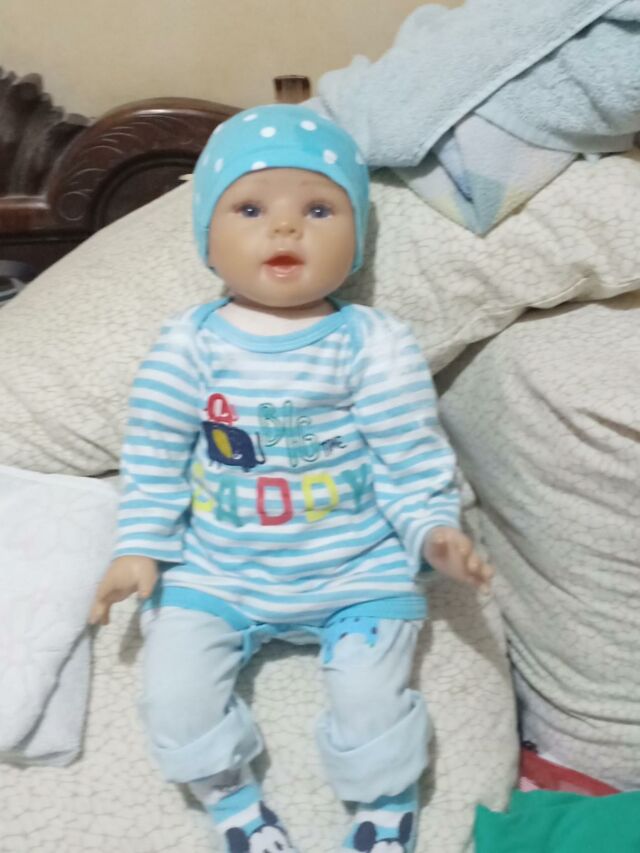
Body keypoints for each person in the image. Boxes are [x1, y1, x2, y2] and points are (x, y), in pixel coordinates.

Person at [90, 104, 493, 853]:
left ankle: (384, 805)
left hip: (355, 571)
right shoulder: (188, 343)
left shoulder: (373, 341)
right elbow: (153, 452)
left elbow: (409, 453)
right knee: (173, 695)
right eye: (250, 209)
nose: (284, 228)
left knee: (373, 698)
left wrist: (434, 531)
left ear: (357, 237)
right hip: (220, 571)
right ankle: (234, 802)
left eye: (318, 209)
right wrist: (139, 546)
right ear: (207, 236)